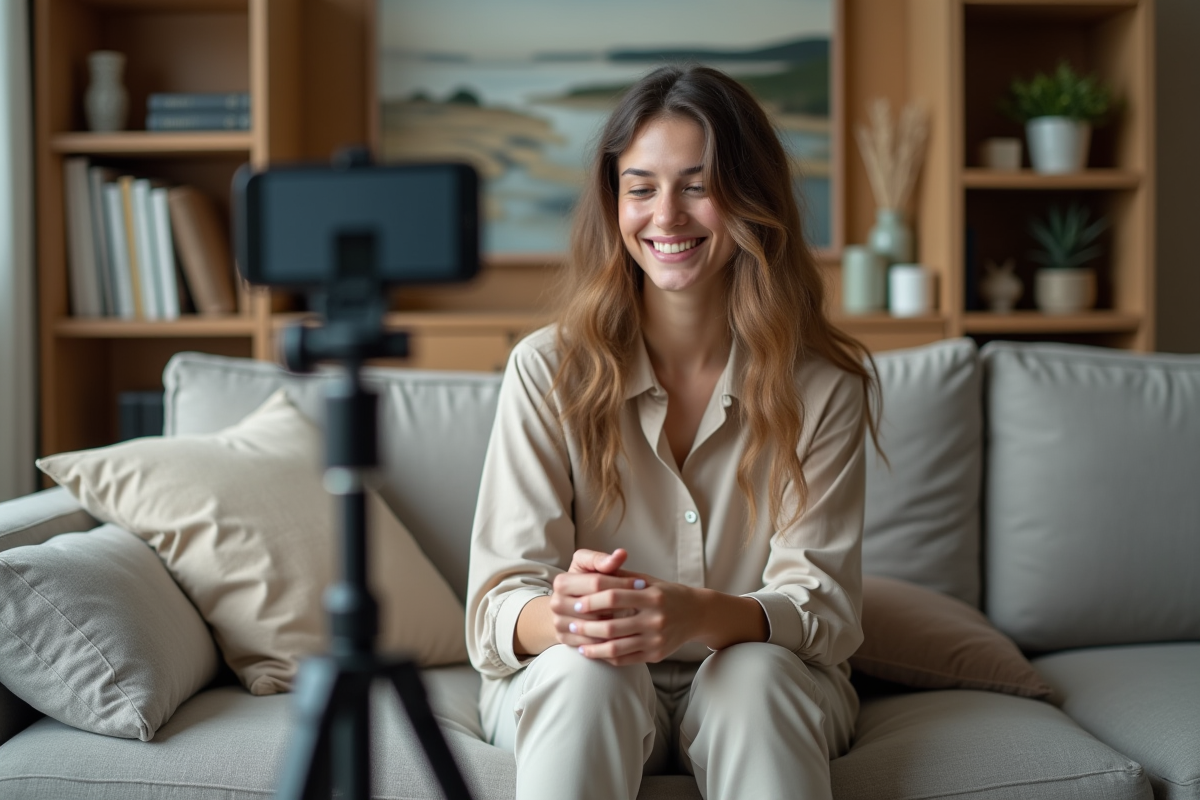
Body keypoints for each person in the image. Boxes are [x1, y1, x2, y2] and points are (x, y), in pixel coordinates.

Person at [466, 64, 880, 800]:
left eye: (697, 185)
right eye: (641, 188)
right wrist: (571, 615)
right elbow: (497, 609)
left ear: (751, 198)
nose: (666, 215)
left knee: (754, 677)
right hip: (579, 674)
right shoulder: (546, 370)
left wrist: (701, 616)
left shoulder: (823, 386)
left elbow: (824, 609)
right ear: (613, 203)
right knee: (586, 674)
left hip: (761, 677)